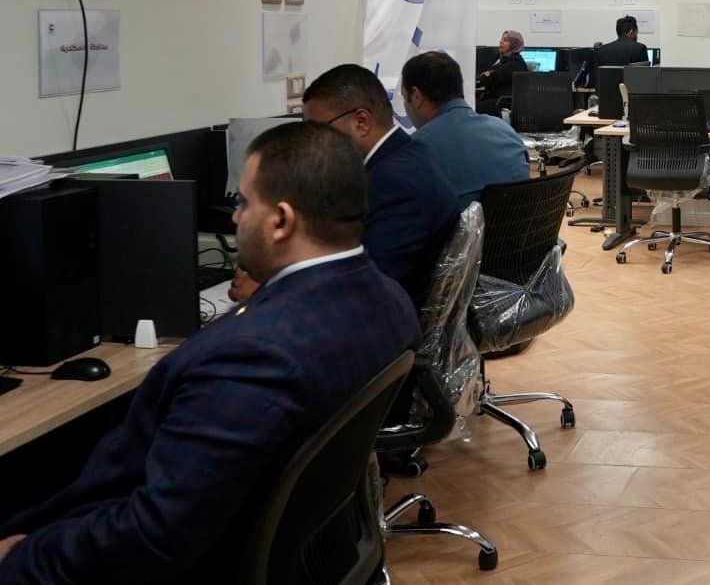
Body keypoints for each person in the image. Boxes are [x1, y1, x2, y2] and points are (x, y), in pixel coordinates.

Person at [0, 122, 418, 580]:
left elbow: (154, 537)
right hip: (311, 549)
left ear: (281, 221)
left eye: (244, 203)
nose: (235, 217)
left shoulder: (248, 358)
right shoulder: (389, 300)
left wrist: (22, 557)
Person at [300, 64, 458, 311]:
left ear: (361, 122)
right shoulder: (409, 155)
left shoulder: (394, 183)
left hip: (389, 321)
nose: (314, 146)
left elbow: (364, 289)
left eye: (319, 132)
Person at [402, 51, 530, 210]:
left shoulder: (414, 151)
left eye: (404, 97)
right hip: (520, 224)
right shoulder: (507, 133)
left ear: (416, 96)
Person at [475, 29, 529, 113]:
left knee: (471, 108)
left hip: (502, 102)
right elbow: (487, 74)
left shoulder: (516, 64)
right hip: (494, 98)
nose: (501, 42)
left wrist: (476, 80)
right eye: (501, 39)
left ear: (514, 43)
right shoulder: (502, 59)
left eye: (505, 40)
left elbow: (491, 77)